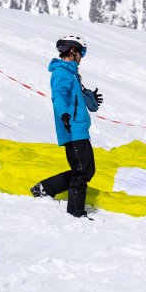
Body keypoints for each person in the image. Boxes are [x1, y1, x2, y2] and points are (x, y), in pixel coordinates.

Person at [30, 34, 103, 218]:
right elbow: (58, 95)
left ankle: (45, 188)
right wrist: (64, 114)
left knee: (85, 170)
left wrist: (88, 97)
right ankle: (75, 213)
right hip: (72, 127)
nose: (81, 57)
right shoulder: (61, 72)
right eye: (81, 53)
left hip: (78, 127)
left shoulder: (71, 73)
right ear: (72, 51)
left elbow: (74, 99)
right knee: (83, 171)